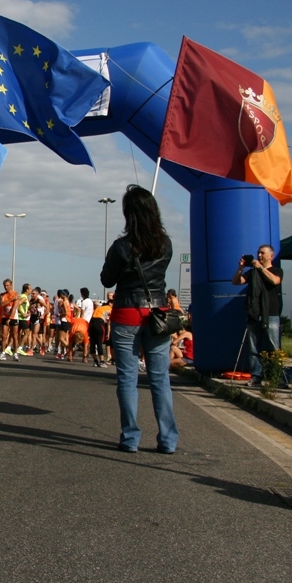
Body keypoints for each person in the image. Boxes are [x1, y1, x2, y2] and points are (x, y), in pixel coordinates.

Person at [100, 184, 178, 454]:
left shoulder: (121, 246)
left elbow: (107, 279)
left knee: (127, 379)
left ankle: (131, 437)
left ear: (128, 214)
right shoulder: (165, 245)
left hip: (127, 314)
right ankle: (168, 439)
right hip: (157, 314)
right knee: (160, 379)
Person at [232, 244, 283, 386]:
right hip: (254, 313)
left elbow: (275, 281)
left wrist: (260, 268)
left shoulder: (276, 270)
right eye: (258, 253)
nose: (259, 255)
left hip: (271, 313)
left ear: (270, 256)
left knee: (273, 346)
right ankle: (256, 375)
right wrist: (241, 268)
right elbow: (236, 281)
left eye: (262, 253)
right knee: (254, 347)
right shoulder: (252, 272)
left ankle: (276, 376)